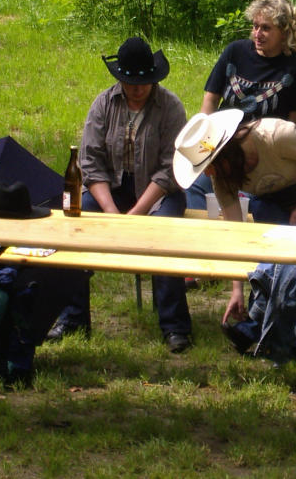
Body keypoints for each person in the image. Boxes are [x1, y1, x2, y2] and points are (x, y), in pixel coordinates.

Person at [46, 37, 193, 353]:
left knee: (166, 233)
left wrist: (137, 213)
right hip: (110, 189)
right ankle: (72, 317)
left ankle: (174, 325)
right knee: (74, 225)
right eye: (130, 82)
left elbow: (170, 168)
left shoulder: (170, 107)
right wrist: (111, 212)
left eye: (143, 82)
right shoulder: (103, 103)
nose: (137, 89)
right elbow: (90, 161)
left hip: (158, 190)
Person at [172, 111, 296, 359]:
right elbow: (237, 235)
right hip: (272, 202)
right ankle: (264, 330)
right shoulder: (222, 177)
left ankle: (289, 338)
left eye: (209, 165)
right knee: (270, 263)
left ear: (226, 151)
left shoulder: (276, 136)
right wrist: (236, 291)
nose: (208, 175)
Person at [185, 0, 296, 211]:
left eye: (266, 28)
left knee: (259, 199)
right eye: (255, 26)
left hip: (264, 153)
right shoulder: (235, 52)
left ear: (284, 32)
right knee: (195, 187)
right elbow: (211, 98)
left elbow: (295, 119)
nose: (257, 34)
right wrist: (204, 143)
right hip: (223, 146)